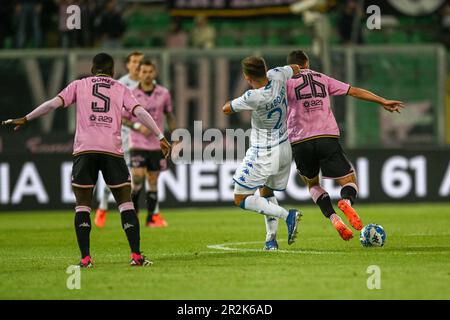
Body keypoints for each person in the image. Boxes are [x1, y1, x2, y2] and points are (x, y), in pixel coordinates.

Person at [1, 53, 172, 267]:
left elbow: (52, 104)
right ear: (113, 72)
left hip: (84, 151)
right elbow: (141, 113)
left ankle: (85, 259)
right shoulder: (121, 88)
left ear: (92, 70)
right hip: (112, 151)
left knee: (82, 206)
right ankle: (136, 256)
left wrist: (26, 118)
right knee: (125, 203)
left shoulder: (79, 85)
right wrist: (161, 137)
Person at [282, 50, 403, 241]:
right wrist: (382, 101)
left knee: (313, 184)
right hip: (326, 136)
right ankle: (346, 202)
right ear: (307, 63)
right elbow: (353, 90)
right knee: (349, 181)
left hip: (300, 140)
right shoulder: (322, 78)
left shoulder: (285, 83)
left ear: (290, 66)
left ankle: (334, 218)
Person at [222, 56, 302, 250]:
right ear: (265, 68)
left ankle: (287, 215)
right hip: (284, 147)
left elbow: (225, 109)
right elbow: (296, 68)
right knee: (266, 192)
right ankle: (270, 240)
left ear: (247, 77)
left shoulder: (253, 96)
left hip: (264, 152)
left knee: (240, 197)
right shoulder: (278, 75)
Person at [122, 60, 177, 227]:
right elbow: (122, 117)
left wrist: (175, 136)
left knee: (153, 180)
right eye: (143, 71)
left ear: (154, 73)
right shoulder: (130, 93)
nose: (147, 74)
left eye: (149, 72)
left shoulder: (164, 93)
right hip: (137, 142)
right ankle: (135, 211)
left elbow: (169, 115)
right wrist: (137, 125)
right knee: (137, 177)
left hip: (156, 144)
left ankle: (151, 218)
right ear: (139, 74)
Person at [95, 51, 144, 228]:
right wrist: (137, 126)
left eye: (141, 61)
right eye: (135, 62)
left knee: (140, 177)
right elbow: (117, 115)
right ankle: (102, 207)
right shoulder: (121, 84)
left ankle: (141, 210)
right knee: (119, 175)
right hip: (123, 136)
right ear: (128, 65)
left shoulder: (149, 84)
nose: (139, 65)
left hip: (143, 139)